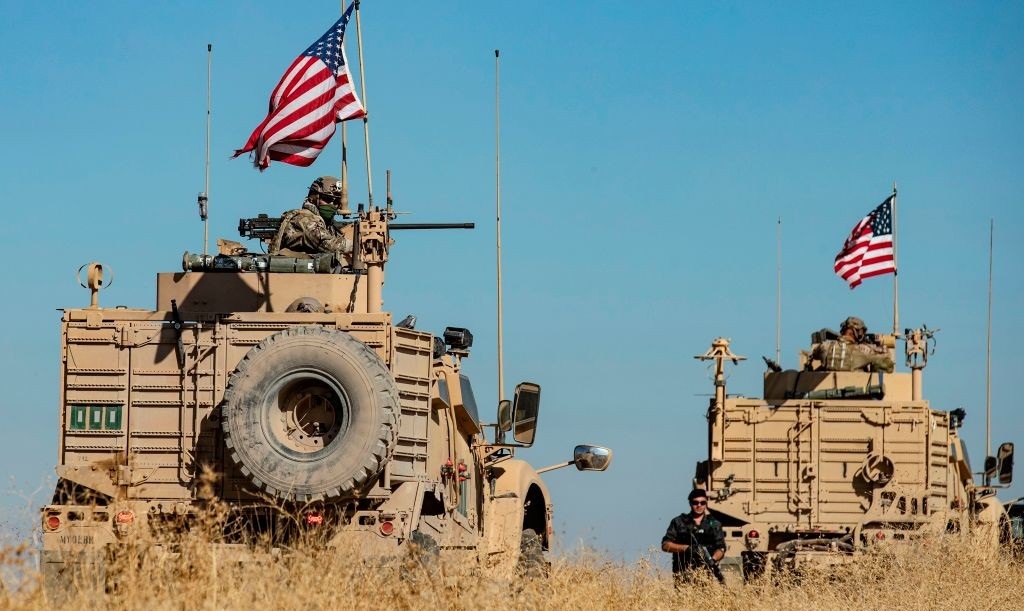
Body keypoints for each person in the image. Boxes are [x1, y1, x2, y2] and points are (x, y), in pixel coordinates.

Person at [270, 176, 353, 265]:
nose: (332, 205)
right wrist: (360, 245)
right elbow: (329, 244)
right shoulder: (304, 219)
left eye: (336, 202)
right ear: (314, 197)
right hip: (291, 275)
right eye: (328, 199)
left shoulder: (327, 224)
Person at [662, 489, 726, 585]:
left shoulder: (714, 524)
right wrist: (687, 548)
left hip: (705, 573)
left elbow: (721, 548)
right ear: (690, 503)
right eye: (695, 502)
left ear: (706, 503)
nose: (699, 505)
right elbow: (666, 545)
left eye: (702, 503)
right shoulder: (679, 522)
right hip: (683, 572)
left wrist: (712, 559)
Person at [815, 316, 894, 373]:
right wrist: (879, 346)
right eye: (861, 332)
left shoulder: (825, 346)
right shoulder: (862, 351)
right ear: (854, 332)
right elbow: (886, 356)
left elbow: (814, 354)